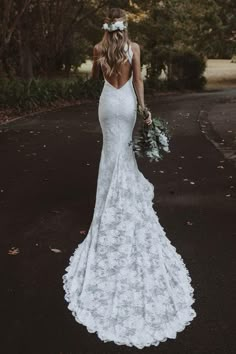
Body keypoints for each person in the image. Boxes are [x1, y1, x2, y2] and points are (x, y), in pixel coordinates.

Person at [62, 7, 197, 350]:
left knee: (110, 156)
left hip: (107, 104)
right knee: (123, 154)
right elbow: (137, 81)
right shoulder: (134, 49)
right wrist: (144, 109)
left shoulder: (97, 49)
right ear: (125, 26)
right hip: (125, 105)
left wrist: (102, 62)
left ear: (106, 28)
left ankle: (107, 208)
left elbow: (95, 78)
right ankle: (121, 203)